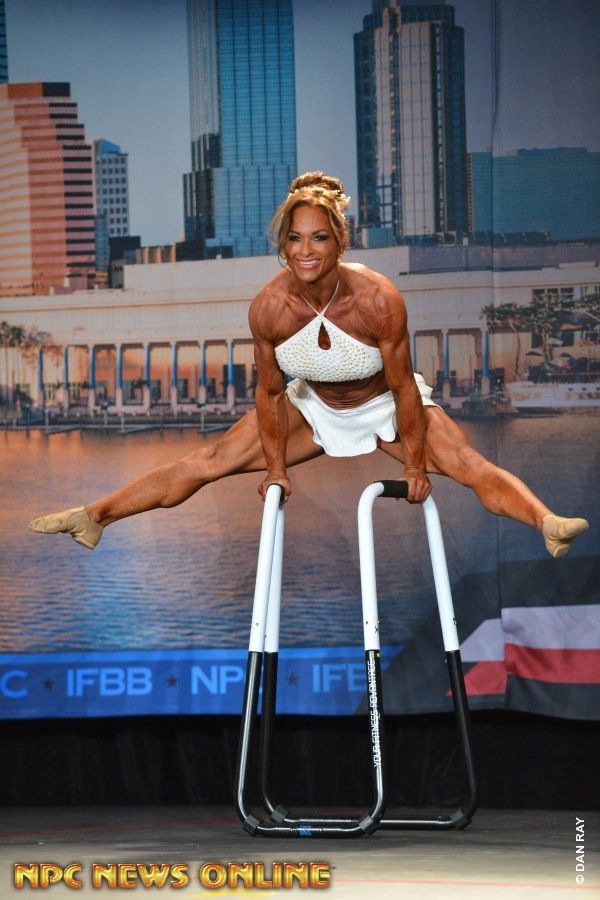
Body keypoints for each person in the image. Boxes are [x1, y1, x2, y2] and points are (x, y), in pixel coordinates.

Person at [29, 172, 588, 558]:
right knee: (208, 460)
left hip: (384, 405)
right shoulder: (269, 308)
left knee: (466, 463)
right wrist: (276, 468)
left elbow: (403, 388)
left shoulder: (378, 299)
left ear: (339, 241)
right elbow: (269, 394)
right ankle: (95, 516)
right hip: (313, 407)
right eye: (295, 239)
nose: (305, 250)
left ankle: (547, 523)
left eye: (319, 238)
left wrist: (416, 466)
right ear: (283, 243)